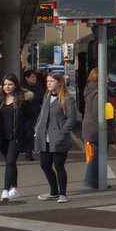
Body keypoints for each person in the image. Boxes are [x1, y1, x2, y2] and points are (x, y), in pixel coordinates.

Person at [34, 71, 79, 204]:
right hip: (45, 138)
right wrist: (37, 128)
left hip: (59, 138)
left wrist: (62, 132)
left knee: (59, 166)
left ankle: (63, 194)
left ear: (59, 83)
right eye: (48, 81)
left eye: (52, 81)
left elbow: (71, 117)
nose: (49, 84)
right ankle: (54, 192)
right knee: (45, 165)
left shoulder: (67, 98)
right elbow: (42, 115)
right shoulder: (47, 96)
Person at [0, 74, 36, 203]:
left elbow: (31, 117)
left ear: (16, 85)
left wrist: (24, 130)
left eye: (10, 84)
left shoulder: (23, 100)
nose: (7, 87)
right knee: (10, 163)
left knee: (10, 162)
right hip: (2, 137)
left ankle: (6, 190)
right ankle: (15, 189)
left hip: (16, 137)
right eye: (5, 84)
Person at [82, 68, 105, 191]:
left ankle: (95, 180)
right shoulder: (98, 92)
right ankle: (92, 180)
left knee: (96, 154)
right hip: (96, 127)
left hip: (90, 126)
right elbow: (98, 112)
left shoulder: (90, 89)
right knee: (97, 155)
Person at [20, 67, 46, 161]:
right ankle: (27, 152)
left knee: (33, 134)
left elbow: (42, 99)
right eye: (32, 77)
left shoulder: (39, 87)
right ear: (27, 78)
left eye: (35, 77)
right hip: (25, 115)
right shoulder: (22, 89)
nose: (34, 78)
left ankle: (30, 153)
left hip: (36, 113)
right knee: (28, 134)